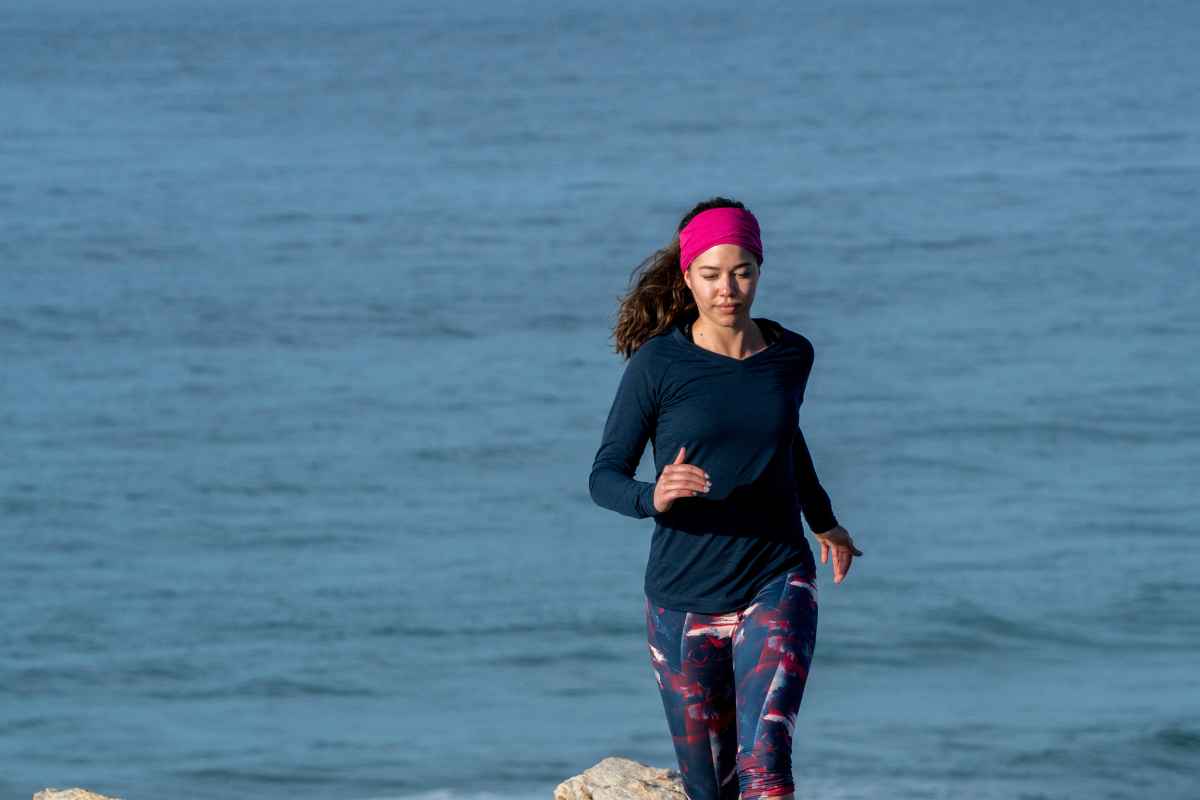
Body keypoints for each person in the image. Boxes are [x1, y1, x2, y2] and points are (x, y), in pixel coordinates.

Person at [588, 197, 863, 800]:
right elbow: (604, 475)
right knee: (711, 786)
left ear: (759, 269)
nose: (728, 289)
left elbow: (785, 437)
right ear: (688, 277)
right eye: (711, 275)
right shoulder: (658, 364)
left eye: (741, 271)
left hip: (775, 575)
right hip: (683, 597)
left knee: (766, 765)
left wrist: (824, 521)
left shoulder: (792, 355)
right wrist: (652, 495)